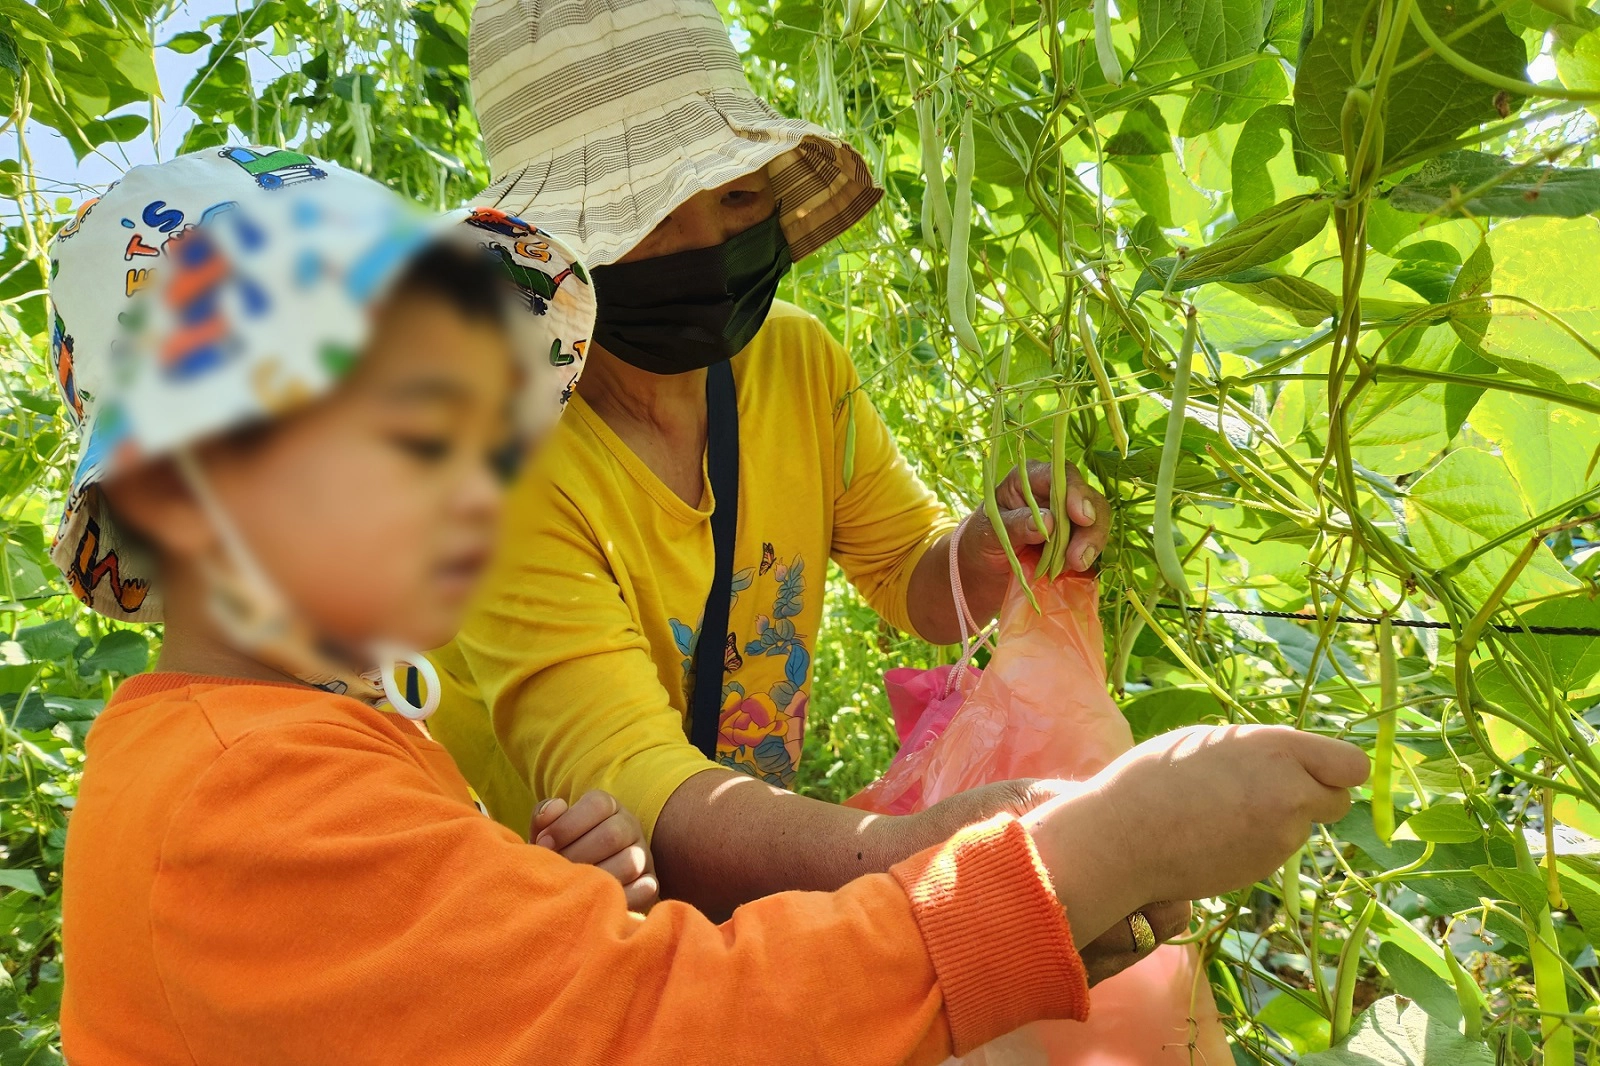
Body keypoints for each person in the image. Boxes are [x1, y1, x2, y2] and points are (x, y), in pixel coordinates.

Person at [56, 151, 1370, 1064]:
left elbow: (449, 994)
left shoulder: (280, 747)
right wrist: (1077, 860)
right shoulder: (244, 802)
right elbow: (668, 1029)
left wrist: (528, 905)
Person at [432, 0, 1116, 917]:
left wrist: (981, 554)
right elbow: (630, 782)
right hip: (572, 920)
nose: (708, 248)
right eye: (647, 215)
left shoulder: (797, 361)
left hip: (764, 876)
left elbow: (906, 569)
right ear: (555, 244)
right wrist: (924, 861)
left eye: (738, 197)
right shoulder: (499, 465)